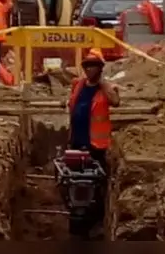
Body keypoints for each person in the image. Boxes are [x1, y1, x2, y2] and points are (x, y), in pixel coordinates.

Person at [67, 49, 120, 239]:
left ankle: (95, 222)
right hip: (77, 141)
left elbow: (115, 102)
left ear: (100, 68)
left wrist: (104, 84)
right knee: (74, 182)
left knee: (95, 184)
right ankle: (76, 220)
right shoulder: (78, 85)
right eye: (87, 66)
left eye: (93, 66)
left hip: (96, 145)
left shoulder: (106, 88)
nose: (90, 70)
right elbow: (71, 105)